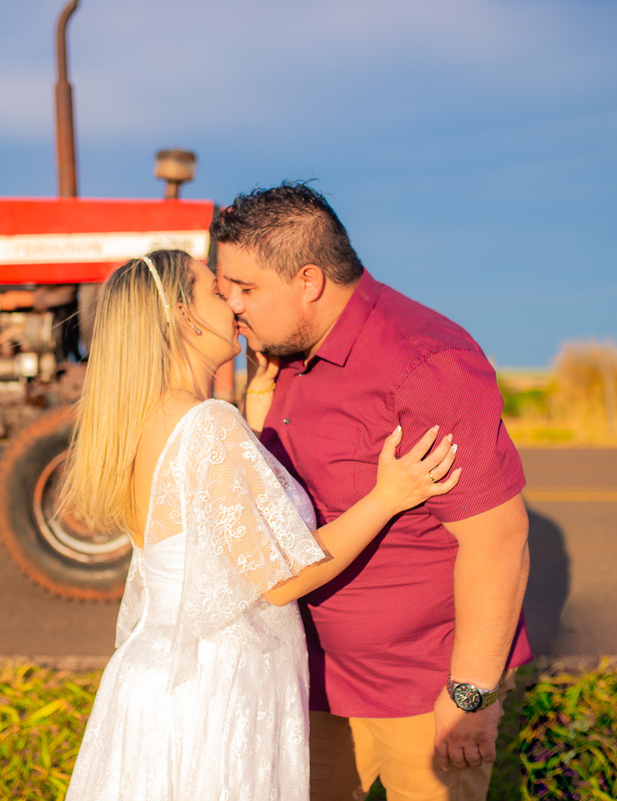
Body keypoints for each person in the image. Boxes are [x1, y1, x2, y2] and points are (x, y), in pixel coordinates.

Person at [61, 249, 461, 801]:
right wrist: (388, 496)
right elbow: (282, 581)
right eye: (213, 291)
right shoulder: (206, 425)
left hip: (155, 676)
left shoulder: (144, 417)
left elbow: (209, 523)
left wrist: (255, 404)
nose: (231, 301)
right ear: (184, 315)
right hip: (215, 684)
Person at [211, 182, 532, 801]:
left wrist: (470, 694)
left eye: (245, 289)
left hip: (419, 692)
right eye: (226, 290)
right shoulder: (282, 356)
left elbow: (499, 538)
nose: (233, 308)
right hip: (310, 682)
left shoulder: (423, 363)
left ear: (308, 281)